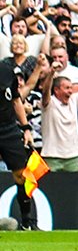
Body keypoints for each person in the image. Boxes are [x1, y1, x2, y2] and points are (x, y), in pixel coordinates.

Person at [0, 44, 40, 227]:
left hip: (8, 130)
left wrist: (25, 128)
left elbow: (16, 99)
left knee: (22, 175)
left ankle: (28, 222)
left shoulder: (7, 71)